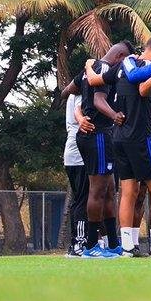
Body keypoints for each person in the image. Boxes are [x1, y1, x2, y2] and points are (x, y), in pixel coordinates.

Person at [84, 35, 151, 257]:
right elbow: (143, 89)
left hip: (119, 137)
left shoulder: (122, 65)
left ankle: (126, 246)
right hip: (141, 136)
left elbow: (95, 81)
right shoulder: (148, 65)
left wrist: (88, 63)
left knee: (128, 191)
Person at [62, 41, 133, 258]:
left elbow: (67, 91)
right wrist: (114, 116)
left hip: (98, 135)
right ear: (120, 56)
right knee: (97, 190)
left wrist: (81, 107)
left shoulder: (91, 69)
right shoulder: (102, 69)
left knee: (110, 189)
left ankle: (112, 244)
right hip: (97, 134)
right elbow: (98, 99)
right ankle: (91, 246)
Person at [63, 93, 88, 256]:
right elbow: (79, 114)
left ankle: (76, 243)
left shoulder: (72, 95)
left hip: (71, 156)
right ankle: (79, 242)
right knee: (82, 200)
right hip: (79, 157)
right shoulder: (79, 95)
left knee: (78, 200)